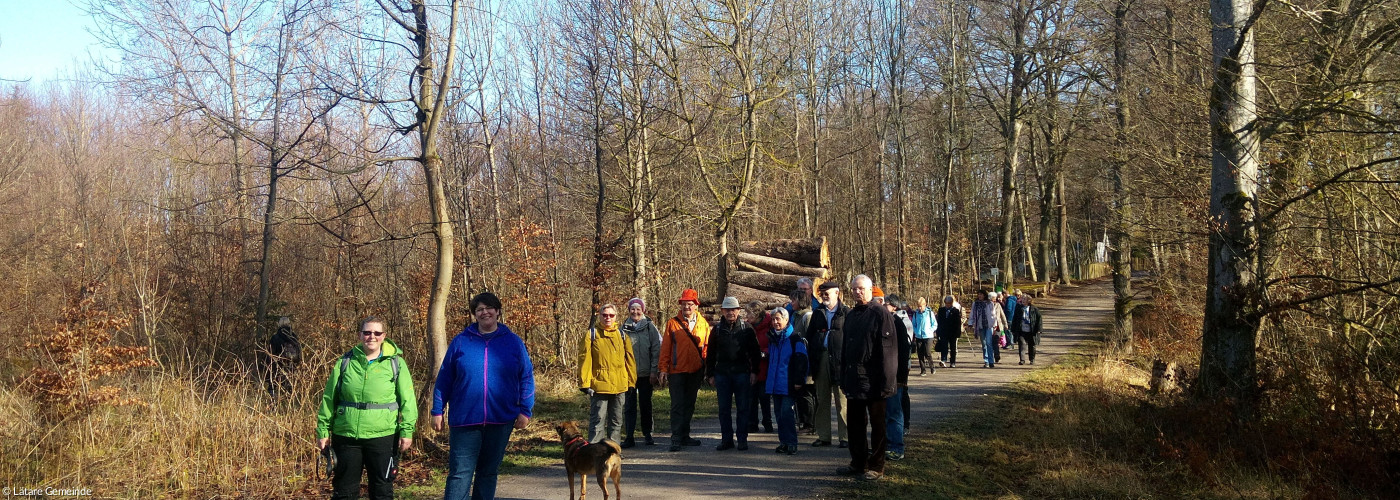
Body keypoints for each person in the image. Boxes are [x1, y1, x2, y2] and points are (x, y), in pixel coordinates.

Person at [433, 293, 535, 500]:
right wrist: (437, 410)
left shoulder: (514, 343)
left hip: (501, 419)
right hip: (465, 420)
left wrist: (525, 409)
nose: (484, 312)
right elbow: (444, 379)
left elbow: (526, 377)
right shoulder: (461, 342)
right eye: (479, 309)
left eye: (489, 308)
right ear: (474, 314)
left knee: (488, 472)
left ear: (497, 311)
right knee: (460, 474)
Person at [316, 317, 418, 500]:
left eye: (377, 333)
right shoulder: (345, 362)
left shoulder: (396, 364)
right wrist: (323, 429)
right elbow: (329, 398)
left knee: (382, 490)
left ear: (384, 336)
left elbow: (408, 401)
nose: (372, 336)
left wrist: (407, 430)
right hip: (346, 436)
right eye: (367, 332)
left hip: (383, 436)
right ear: (360, 335)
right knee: (344, 491)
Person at [836, 274, 898, 481]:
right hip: (854, 380)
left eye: (861, 288)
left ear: (871, 289)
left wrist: (888, 382)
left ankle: (877, 467)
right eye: (854, 289)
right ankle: (858, 463)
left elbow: (888, 351)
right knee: (854, 425)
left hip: (875, 382)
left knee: (878, 426)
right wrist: (843, 377)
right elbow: (845, 349)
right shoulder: (852, 315)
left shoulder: (881, 314)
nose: (857, 292)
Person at [659, 288, 711, 452]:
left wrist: (706, 368)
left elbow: (706, 348)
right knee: (677, 405)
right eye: (684, 304)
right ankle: (675, 437)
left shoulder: (703, 324)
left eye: (690, 304)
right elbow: (666, 348)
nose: (686, 307)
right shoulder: (672, 323)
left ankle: (685, 436)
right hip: (676, 370)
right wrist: (663, 369)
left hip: (695, 370)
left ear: (696, 305)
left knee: (689, 404)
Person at [708, 297, 762, 450]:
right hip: (722, 374)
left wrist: (754, 372)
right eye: (727, 310)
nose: (730, 312)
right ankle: (727, 440)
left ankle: (742, 439)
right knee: (723, 409)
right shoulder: (717, 330)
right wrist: (710, 374)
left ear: (739, 310)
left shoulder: (747, 328)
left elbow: (755, 352)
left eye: (733, 309)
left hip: (742, 373)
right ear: (722, 311)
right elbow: (710, 353)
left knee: (743, 408)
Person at [579, 304, 637, 443]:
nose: (608, 318)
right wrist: (584, 383)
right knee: (597, 421)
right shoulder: (592, 335)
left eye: (611, 315)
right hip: (599, 386)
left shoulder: (622, 335)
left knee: (616, 421)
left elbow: (630, 361)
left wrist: (631, 382)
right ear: (599, 316)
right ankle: (594, 452)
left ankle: (613, 451)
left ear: (616, 317)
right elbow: (584, 360)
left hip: (619, 386)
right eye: (605, 315)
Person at [806, 280, 849, 448]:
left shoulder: (846, 312)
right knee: (822, 398)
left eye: (827, 293)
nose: (824, 296)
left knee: (842, 400)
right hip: (821, 358)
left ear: (837, 293)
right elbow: (810, 336)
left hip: (840, 360)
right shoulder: (818, 313)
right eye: (822, 293)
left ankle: (845, 437)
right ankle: (824, 436)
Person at [765, 307, 808, 455]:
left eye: (778, 319)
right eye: (773, 319)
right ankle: (783, 442)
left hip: (789, 384)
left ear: (786, 319)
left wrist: (798, 380)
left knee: (787, 414)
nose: (775, 322)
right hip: (775, 383)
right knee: (778, 414)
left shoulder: (795, 339)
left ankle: (791, 443)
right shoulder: (772, 338)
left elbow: (802, 360)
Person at [621, 298, 661, 448]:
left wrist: (654, 371)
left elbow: (656, 349)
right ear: (629, 310)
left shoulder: (650, 327)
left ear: (643, 310)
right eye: (633, 309)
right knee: (629, 406)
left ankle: (648, 434)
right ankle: (629, 436)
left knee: (646, 404)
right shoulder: (623, 328)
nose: (635, 312)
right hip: (629, 375)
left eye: (638, 309)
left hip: (646, 374)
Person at [883, 296, 914, 461]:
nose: (882, 306)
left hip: (897, 376)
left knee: (894, 412)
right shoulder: (885, 322)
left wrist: (902, 377)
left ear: (893, 307)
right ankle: (887, 444)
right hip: (886, 376)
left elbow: (904, 351)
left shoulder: (898, 324)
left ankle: (896, 447)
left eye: (885, 304)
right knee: (886, 412)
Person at [746, 301, 774, 434]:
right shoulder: (748, 327)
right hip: (752, 367)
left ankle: (767, 422)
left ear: (757, 314)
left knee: (764, 397)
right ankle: (752, 423)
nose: (747, 316)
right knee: (751, 396)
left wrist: (765, 352)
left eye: (749, 313)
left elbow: (773, 344)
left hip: (765, 366)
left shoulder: (769, 326)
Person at [968, 290, 1007, 368]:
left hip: (989, 325)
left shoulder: (989, 304)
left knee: (989, 343)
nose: (980, 296)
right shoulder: (975, 304)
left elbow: (993, 315)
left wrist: (994, 324)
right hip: (980, 326)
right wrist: (970, 323)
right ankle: (986, 361)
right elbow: (972, 314)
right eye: (978, 294)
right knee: (984, 344)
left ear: (984, 295)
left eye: (981, 294)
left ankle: (991, 361)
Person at [1011, 295, 1043, 365]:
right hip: (1021, 330)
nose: (1022, 300)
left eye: (1024, 299)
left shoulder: (1034, 309)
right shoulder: (1019, 308)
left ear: (1029, 300)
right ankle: (1022, 360)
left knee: (1032, 345)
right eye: (1022, 298)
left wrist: (1039, 329)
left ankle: (1032, 359)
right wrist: (1013, 329)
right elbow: (1015, 319)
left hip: (1032, 330)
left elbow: (1039, 319)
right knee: (1022, 344)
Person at [934, 296, 963, 367]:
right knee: (944, 346)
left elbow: (958, 323)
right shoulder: (941, 310)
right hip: (943, 331)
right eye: (946, 303)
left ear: (952, 303)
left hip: (953, 332)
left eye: (949, 303)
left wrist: (958, 333)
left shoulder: (955, 311)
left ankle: (952, 361)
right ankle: (943, 359)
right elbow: (939, 321)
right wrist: (938, 332)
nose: (947, 305)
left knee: (953, 347)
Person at [911, 298, 935, 376]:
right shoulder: (916, 314)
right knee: (920, 353)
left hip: (928, 336)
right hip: (919, 336)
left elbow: (934, 324)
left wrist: (930, 330)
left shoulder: (930, 313)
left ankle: (932, 367)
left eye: (921, 306)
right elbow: (913, 324)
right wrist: (916, 331)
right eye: (918, 306)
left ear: (925, 305)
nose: (919, 308)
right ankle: (923, 369)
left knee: (927, 352)